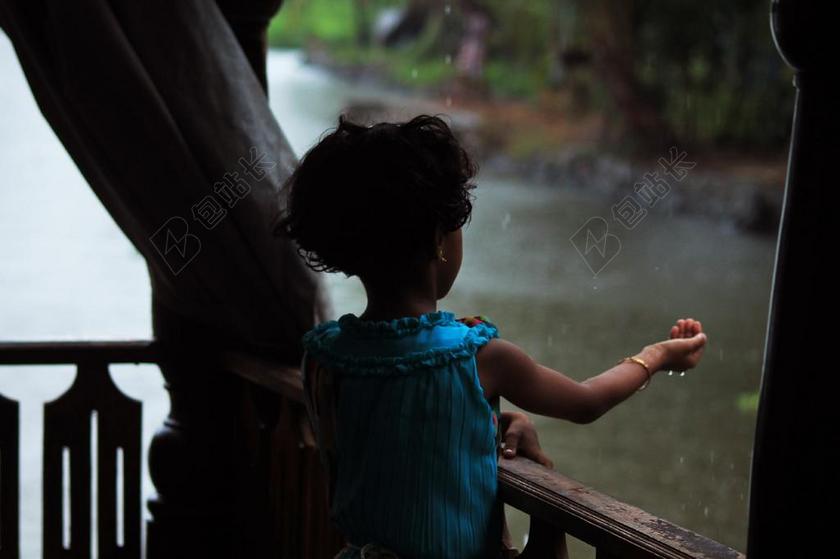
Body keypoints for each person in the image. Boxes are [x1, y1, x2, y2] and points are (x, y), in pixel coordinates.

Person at [275, 114, 708, 559]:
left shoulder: (325, 360)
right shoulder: (476, 357)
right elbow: (585, 402)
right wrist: (656, 356)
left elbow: (397, 439)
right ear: (439, 237)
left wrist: (485, 424)